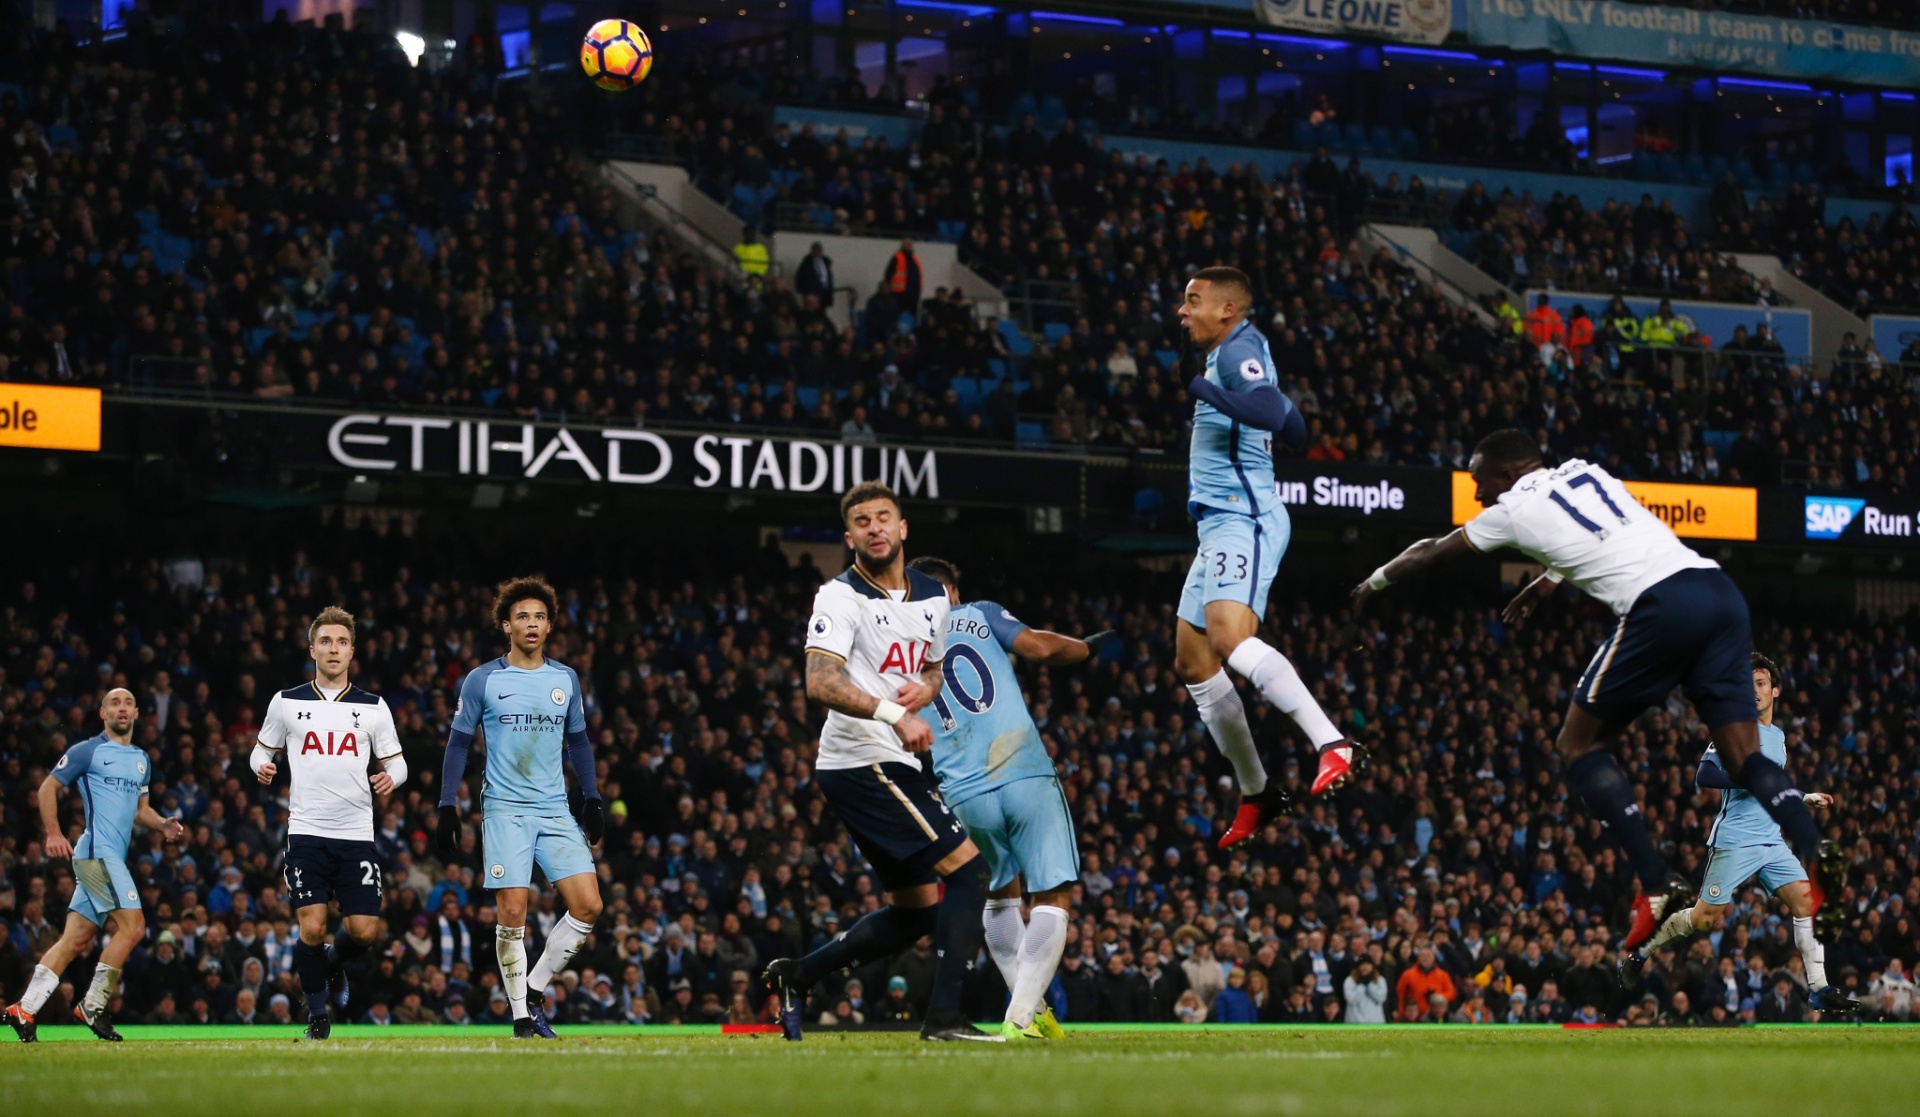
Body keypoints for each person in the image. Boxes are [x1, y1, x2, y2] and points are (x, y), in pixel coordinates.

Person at [1352, 429, 1826, 949]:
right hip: (1718, 591)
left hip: (1660, 605)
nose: (1477, 494)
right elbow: (1605, 530)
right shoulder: (1585, 470)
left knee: (1578, 743)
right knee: (1743, 758)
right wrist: (1548, 580)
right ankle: (1814, 846)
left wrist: (1372, 585)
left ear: (1507, 474)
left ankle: (1656, 879)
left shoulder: (1508, 509)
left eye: (1479, 480)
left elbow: (1432, 553)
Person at [763, 481, 1000, 1043]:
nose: (874, 528)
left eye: (883, 518)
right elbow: (820, 682)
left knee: (917, 911)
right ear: (850, 537)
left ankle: (800, 975)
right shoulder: (839, 597)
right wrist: (896, 714)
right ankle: (944, 1020)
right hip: (860, 759)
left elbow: (936, 669)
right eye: (862, 521)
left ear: (903, 528)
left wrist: (927, 686)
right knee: (970, 873)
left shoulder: (935, 595)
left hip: (899, 760)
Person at [1171, 265, 1358, 850]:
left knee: (1228, 638)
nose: (1183, 311)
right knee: (1193, 661)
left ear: (1227, 309)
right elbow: (1295, 426)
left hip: (1242, 517)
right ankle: (1258, 792)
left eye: (1193, 301)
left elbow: (1273, 413)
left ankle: (1332, 742)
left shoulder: (1238, 348)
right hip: (1218, 524)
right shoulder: (1235, 350)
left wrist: (1202, 392)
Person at [906, 555, 1113, 1040]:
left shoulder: (901, 647)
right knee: (1052, 894)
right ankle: (1019, 1019)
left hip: (960, 790)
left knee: (998, 896)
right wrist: (1086, 649)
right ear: (952, 592)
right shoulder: (977, 614)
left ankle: (1034, 1012)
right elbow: (1040, 646)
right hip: (1022, 772)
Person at [1622, 654, 1855, 1013]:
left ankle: (1819, 988)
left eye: (1761, 683)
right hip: (1736, 840)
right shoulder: (1734, 729)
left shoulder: (1778, 737)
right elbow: (1706, 775)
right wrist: (1746, 776)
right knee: (1703, 921)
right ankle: (1642, 951)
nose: (1754, 690)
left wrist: (1803, 797)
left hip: (1771, 841)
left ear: (1775, 690)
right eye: (1748, 685)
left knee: (1807, 901)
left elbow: (1771, 788)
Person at [436, 577, 606, 1039]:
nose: (531, 624)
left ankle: (533, 989)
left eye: (539, 616)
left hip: (553, 809)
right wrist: (447, 804)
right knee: (513, 915)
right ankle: (520, 1017)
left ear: (549, 626)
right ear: (506, 625)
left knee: (589, 905)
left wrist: (591, 797)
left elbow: (579, 742)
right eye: (522, 616)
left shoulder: (564, 679)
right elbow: (458, 744)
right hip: (505, 810)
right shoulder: (483, 679)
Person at [251, 606, 409, 1039]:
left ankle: (331, 964)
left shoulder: (374, 708)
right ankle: (318, 1018)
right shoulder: (286, 702)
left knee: (362, 931)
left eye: (341, 642)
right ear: (312, 649)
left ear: (352, 651)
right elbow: (260, 750)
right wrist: (262, 766)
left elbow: (399, 764)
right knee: (313, 926)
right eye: (326, 641)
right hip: (306, 832)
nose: (333, 649)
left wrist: (388, 777)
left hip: (357, 834)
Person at [5, 689, 186, 1041]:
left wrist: (162, 823)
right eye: (114, 703)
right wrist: (54, 833)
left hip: (108, 856)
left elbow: (140, 811)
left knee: (76, 939)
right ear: (103, 712)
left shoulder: (141, 759)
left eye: (128, 703)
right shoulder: (87, 750)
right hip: (96, 852)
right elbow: (46, 789)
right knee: (133, 928)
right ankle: (92, 1005)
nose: (122, 708)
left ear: (136, 714)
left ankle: (24, 1008)